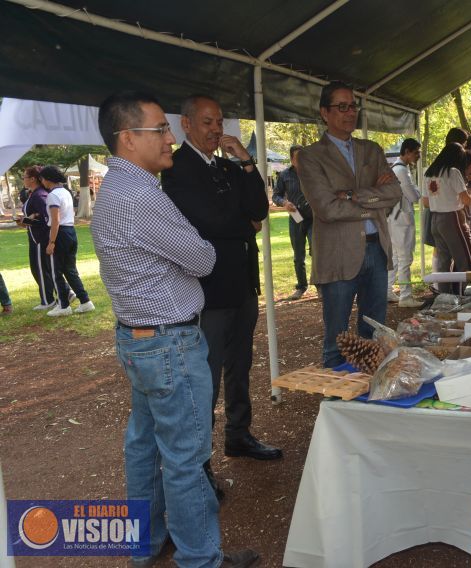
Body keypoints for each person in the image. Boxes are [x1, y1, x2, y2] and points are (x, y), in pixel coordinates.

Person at [92, 91, 259, 568]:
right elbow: (203, 257)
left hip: (139, 338)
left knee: (144, 447)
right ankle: (201, 559)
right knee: (185, 458)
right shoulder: (142, 196)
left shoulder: (117, 190)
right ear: (128, 140)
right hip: (168, 342)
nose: (170, 138)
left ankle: (146, 543)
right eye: (160, 130)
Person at [161, 95, 282, 465]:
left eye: (220, 123)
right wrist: (245, 225)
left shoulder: (230, 168)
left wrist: (246, 162)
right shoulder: (176, 167)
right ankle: (201, 462)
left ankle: (238, 435)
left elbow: (260, 210)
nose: (216, 130)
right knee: (205, 379)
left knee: (239, 367)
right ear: (187, 124)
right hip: (207, 290)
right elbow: (205, 221)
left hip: (242, 284)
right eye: (208, 122)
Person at [298, 81, 401, 368]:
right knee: (338, 340)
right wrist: (372, 202)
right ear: (324, 113)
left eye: (352, 105)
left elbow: (394, 193)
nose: (349, 112)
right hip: (338, 256)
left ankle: (371, 397)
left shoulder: (372, 150)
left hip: (376, 251)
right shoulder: (310, 157)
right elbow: (326, 207)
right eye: (341, 106)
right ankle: (336, 404)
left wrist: (353, 195)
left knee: (376, 336)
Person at [39, 166, 94, 317]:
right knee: (70, 270)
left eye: (42, 179)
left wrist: (51, 242)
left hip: (60, 233)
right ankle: (85, 301)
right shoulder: (66, 192)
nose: (41, 182)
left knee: (56, 270)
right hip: (70, 231)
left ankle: (63, 305)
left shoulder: (53, 195)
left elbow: (55, 220)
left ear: (47, 179)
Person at [424, 143, 471, 294]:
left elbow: (425, 202)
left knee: (443, 263)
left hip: (435, 220)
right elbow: (467, 200)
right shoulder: (453, 172)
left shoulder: (428, 173)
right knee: (467, 261)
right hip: (453, 218)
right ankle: (468, 296)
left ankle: (445, 297)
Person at [273, 145, 313, 301]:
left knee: (316, 251)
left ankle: (320, 285)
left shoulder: (313, 174)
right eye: (298, 158)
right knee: (298, 255)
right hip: (295, 218)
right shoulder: (284, 175)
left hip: (313, 219)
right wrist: (284, 203)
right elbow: (276, 196)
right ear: (292, 159)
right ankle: (301, 287)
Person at [388, 138, 423, 308]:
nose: (418, 156)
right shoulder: (401, 170)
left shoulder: (399, 168)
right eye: (416, 152)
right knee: (404, 258)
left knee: (396, 257)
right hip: (400, 218)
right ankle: (405, 296)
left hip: (396, 218)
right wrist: (417, 192)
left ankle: (387, 290)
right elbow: (413, 195)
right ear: (407, 152)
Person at [17, 165, 56, 310]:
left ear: (33, 179)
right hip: (35, 237)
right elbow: (37, 217)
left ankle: (48, 300)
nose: (23, 180)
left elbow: (47, 219)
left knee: (40, 269)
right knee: (40, 269)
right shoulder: (33, 194)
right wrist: (25, 221)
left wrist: (29, 219)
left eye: (25, 177)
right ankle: (65, 293)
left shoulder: (40, 195)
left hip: (41, 238)